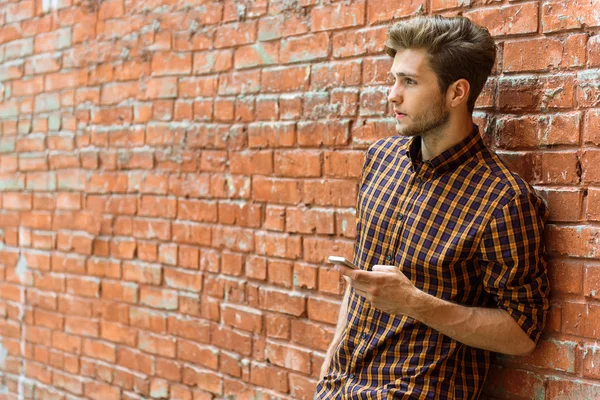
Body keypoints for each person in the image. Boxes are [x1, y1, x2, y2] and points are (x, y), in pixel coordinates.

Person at [314, 15, 549, 400]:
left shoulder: (504, 200)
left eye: (409, 81)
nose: (393, 94)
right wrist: (329, 363)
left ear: (457, 93)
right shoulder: (381, 158)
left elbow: (522, 333)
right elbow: (363, 279)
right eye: (394, 79)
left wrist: (415, 303)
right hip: (339, 389)